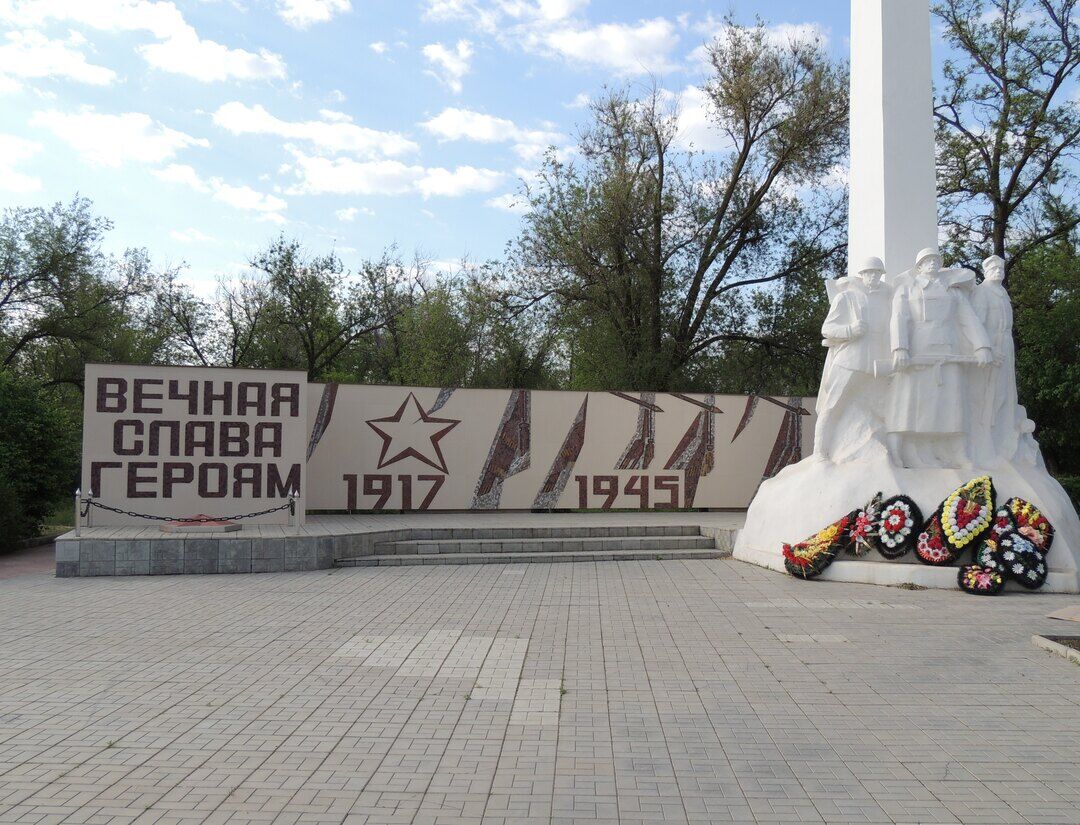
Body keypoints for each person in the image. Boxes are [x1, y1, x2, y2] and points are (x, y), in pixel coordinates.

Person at [886, 248, 993, 468]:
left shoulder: (953, 291)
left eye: (935, 260)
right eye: (927, 261)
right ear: (919, 267)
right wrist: (900, 349)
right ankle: (899, 450)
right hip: (919, 349)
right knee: (909, 401)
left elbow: (968, 319)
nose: (932, 263)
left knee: (952, 401)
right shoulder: (908, 288)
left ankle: (958, 452)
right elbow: (899, 318)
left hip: (949, 347)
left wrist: (982, 345)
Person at [814, 257, 893, 461]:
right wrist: (850, 329)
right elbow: (827, 329)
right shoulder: (847, 297)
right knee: (833, 405)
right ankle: (820, 451)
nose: (874, 276)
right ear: (862, 275)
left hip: (875, 364)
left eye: (877, 273)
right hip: (849, 360)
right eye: (870, 273)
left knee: (882, 408)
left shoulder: (887, 299)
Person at [970, 255, 1020, 465]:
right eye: (994, 268)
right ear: (986, 271)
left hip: (1006, 344)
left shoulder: (1002, 293)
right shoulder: (982, 293)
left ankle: (1004, 437)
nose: (998, 271)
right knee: (991, 395)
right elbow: (977, 325)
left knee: (1006, 393)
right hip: (993, 347)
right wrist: (989, 348)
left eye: (1001, 268)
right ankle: (986, 442)